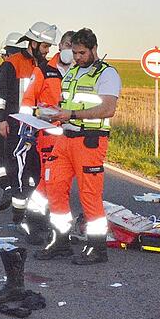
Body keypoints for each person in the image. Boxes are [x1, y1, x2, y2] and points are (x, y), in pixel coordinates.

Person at [34, 28, 121, 265]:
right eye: (75, 53)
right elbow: (66, 103)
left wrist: (71, 113)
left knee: (89, 195)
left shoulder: (107, 74)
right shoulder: (72, 72)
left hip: (90, 140)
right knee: (54, 187)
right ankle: (60, 240)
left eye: (82, 53)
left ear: (94, 49)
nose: (78, 57)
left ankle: (97, 247)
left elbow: (107, 109)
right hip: (65, 137)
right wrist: (50, 113)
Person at [0, 22, 58, 225]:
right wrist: (1, 119)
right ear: (33, 43)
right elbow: (0, 94)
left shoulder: (45, 67)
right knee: (17, 168)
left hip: (39, 126)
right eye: (45, 46)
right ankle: (18, 213)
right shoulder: (12, 63)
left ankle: (34, 210)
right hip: (16, 125)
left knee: (36, 169)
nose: (47, 51)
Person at [17, 30, 72, 244]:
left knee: (61, 185)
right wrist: (28, 130)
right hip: (48, 135)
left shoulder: (80, 73)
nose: (70, 51)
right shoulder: (44, 71)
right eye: (67, 45)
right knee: (48, 183)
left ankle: (52, 224)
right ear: (60, 45)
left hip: (72, 138)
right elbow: (28, 101)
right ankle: (35, 222)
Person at [0, 32, 26, 202]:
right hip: (23, 121)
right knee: (15, 156)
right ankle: (12, 186)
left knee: (2, 154)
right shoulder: (35, 67)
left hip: (6, 120)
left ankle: (8, 186)